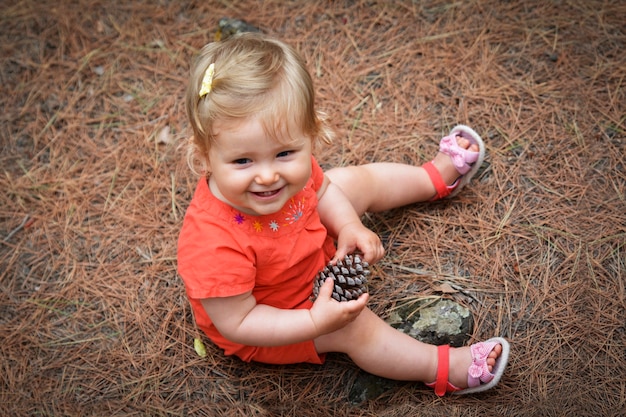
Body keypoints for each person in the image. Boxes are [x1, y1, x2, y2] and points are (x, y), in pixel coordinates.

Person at [177, 32, 510, 396]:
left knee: (349, 181)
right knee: (354, 328)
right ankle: (440, 366)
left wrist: (349, 224)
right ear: (205, 156)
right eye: (243, 161)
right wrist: (314, 321)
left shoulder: (283, 181)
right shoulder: (212, 244)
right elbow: (239, 323)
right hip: (282, 313)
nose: (268, 175)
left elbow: (321, 191)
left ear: (311, 134)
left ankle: (429, 178)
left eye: (285, 153)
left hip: (306, 245)